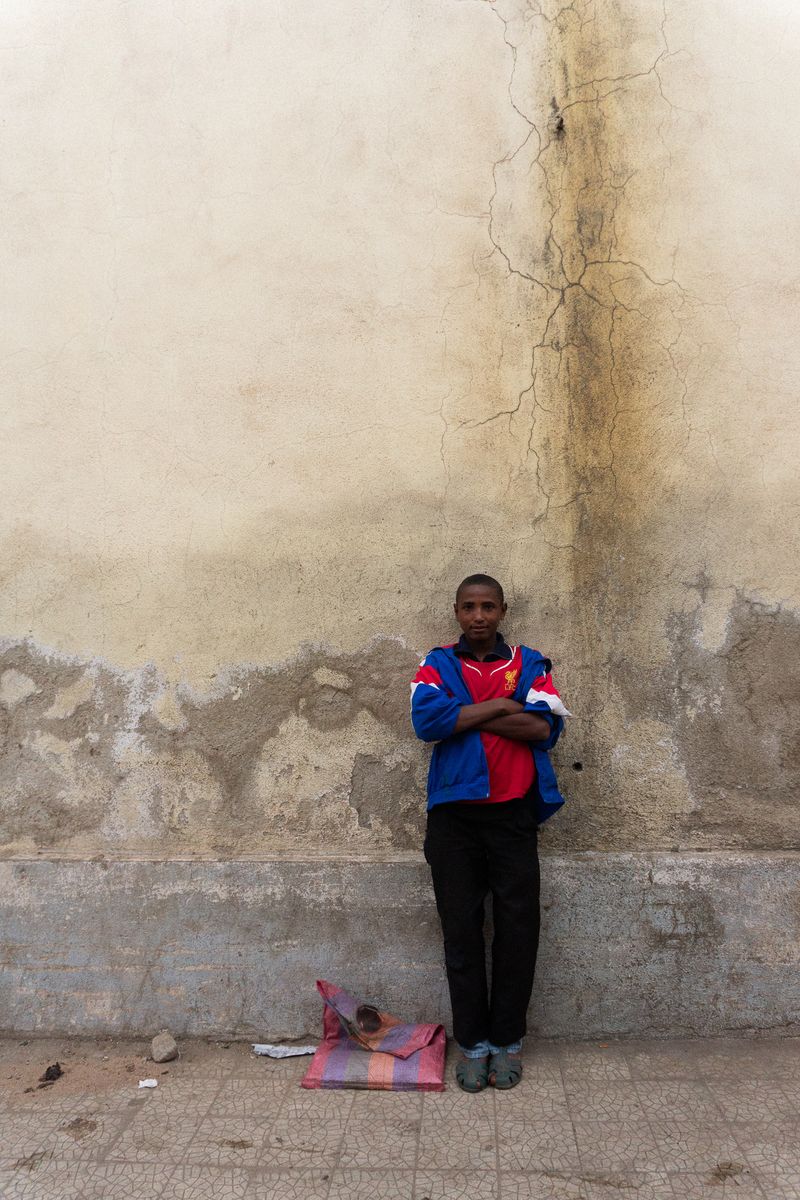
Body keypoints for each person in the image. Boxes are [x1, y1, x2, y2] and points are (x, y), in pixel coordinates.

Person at [410, 574, 570, 1092]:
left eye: (488, 607)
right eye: (468, 607)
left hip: (512, 818)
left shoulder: (528, 663)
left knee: (517, 932)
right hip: (454, 820)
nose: (478, 616)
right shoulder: (437, 664)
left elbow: (543, 729)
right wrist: (505, 706)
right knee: (461, 932)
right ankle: (474, 1046)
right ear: (456, 611)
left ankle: (508, 1042)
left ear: (503, 611)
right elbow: (428, 722)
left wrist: (469, 715)